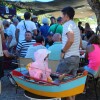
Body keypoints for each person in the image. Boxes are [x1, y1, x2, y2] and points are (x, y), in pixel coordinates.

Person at [56, 7, 81, 100]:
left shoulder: (67, 25)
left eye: (62, 15)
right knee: (71, 84)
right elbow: (80, 43)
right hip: (76, 57)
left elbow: (71, 40)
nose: (61, 17)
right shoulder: (75, 26)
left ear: (66, 15)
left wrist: (63, 51)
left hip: (69, 58)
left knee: (58, 80)